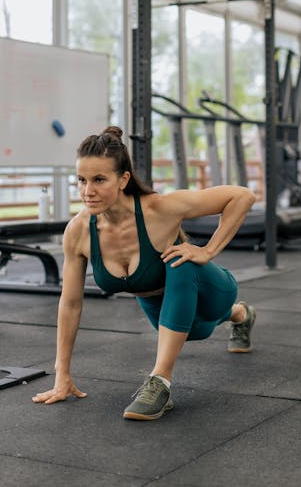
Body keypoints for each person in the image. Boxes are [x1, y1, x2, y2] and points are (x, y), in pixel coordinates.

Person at [32, 126, 257, 421]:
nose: (88, 191)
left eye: (99, 179)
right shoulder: (78, 232)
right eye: (82, 180)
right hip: (162, 309)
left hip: (210, 288)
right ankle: (240, 315)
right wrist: (62, 374)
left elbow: (242, 196)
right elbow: (71, 304)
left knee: (180, 260)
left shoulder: (158, 209)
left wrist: (208, 250)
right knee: (199, 330)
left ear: (123, 179)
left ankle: (159, 382)